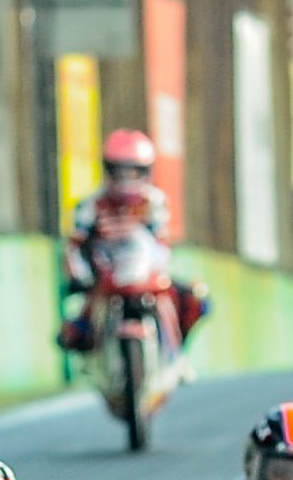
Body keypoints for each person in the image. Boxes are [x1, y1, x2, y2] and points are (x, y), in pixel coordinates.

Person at [58, 130, 209, 354]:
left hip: (146, 276)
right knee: (74, 331)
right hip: (104, 278)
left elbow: (161, 245)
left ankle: (176, 352)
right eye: (120, 171)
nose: (126, 180)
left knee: (197, 301)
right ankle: (93, 357)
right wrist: (80, 275)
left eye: (133, 171)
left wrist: (157, 270)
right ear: (109, 169)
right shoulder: (91, 205)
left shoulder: (154, 203)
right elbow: (75, 246)